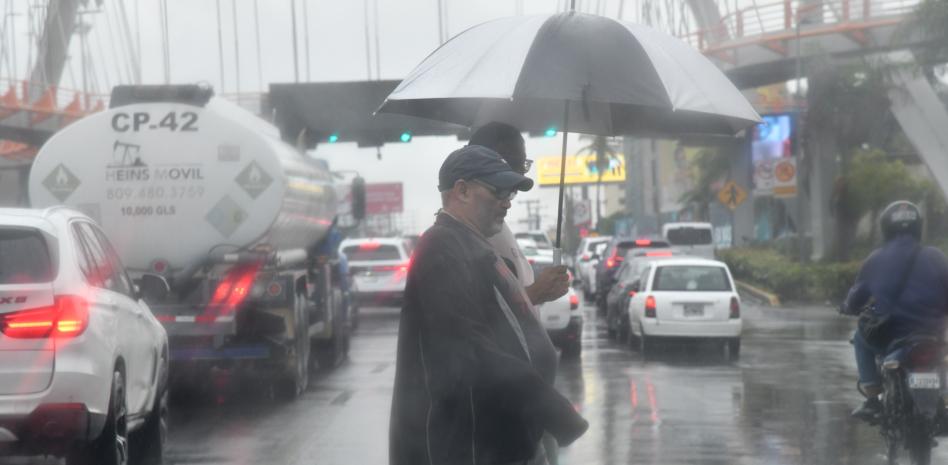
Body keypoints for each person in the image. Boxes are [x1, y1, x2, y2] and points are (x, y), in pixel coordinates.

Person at [390, 145, 588, 465]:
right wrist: (552, 409)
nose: (507, 201)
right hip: (473, 449)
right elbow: (469, 351)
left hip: (509, 443)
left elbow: (501, 321)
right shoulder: (441, 248)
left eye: (511, 192)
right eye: (499, 190)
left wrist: (535, 293)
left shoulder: (475, 245)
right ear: (462, 190)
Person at [841, 200, 948, 420]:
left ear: (886, 228)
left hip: (891, 336)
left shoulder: (876, 259)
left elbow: (856, 298)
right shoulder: (936, 256)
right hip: (932, 334)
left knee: (860, 339)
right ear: (919, 227)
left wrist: (847, 307)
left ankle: (872, 401)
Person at [468, 122, 570, 306]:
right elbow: (477, 317)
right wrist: (535, 293)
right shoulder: (462, 240)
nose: (507, 203)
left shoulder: (493, 224)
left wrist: (539, 293)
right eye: (498, 191)